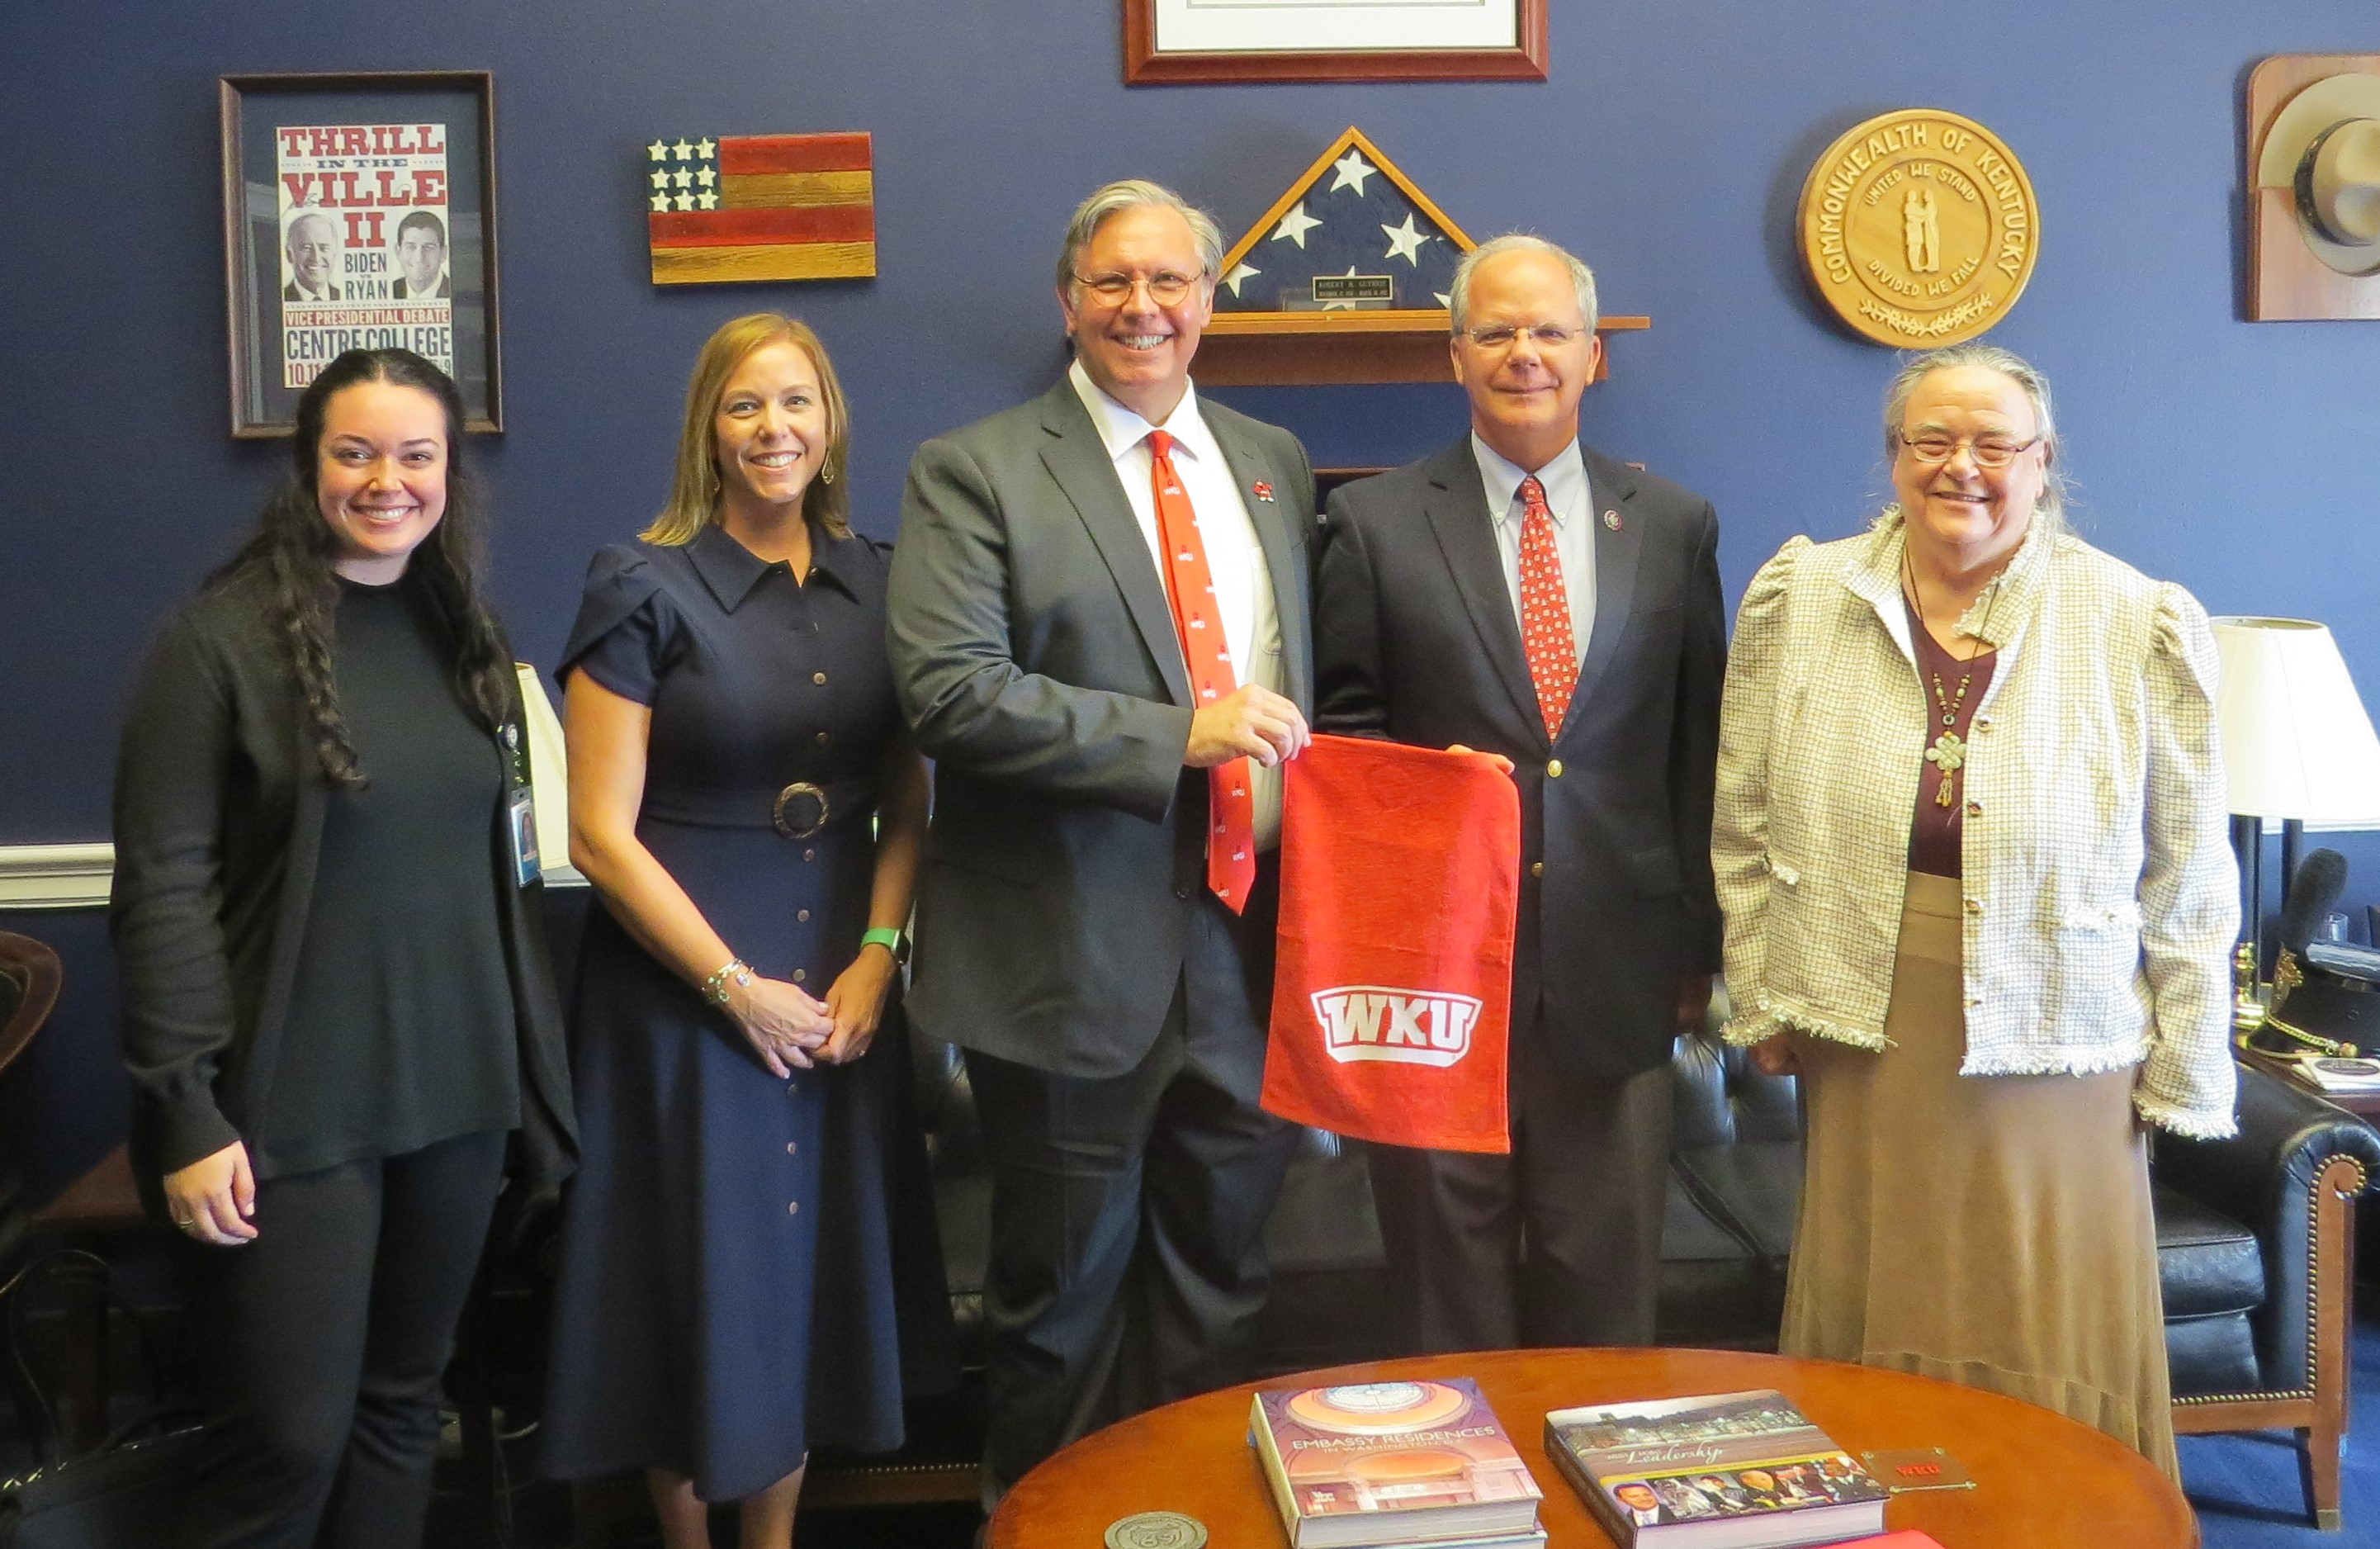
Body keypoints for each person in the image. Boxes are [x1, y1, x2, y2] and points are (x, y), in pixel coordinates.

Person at [1713, 343, 2237, 1482]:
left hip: (2065, 1030)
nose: (1962, 468)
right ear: (1892, 460)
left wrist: (2184, 1061)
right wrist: (1758, 996)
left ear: (2042, 464)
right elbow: (1741, 816)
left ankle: (2064, 1508)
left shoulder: (2128, 616)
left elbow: (2188, 865)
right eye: (1929, 441)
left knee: (2045, 1306)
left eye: (1993, 445)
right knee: (1877, 1283)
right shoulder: (1802, 595)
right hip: (1865, 1011)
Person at [887, 179, 1317, 1505]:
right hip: (1066, 967)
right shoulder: (977, 469)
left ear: (1209, 299)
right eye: (1113, 283)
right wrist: (1174, 735)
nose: (1143, 308)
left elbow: (1307, 691)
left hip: (1246, 959)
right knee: (1055, 1321)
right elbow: (947, 693)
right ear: (1066, 302)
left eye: (1170, 281)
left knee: (1222, 1306)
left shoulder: (1271, 460)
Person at [110, 346, 575, 1549]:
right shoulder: (214, 644)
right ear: (309, 465)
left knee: (402, 1417)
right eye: (355, 452)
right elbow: (160, 886)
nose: (387, 481)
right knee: (287, 1447)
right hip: (289, 1119)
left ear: (447, 473)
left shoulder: (457, 630)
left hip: (459, 1103)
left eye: (415, 455)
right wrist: (185, 1110)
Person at [539, 313, 951, 1549]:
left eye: (795, 404)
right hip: (678, 996)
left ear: (829, 426)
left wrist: (877, 960)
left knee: (804, 1282)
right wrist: (733, 988)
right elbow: (598, 836)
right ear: (707, 432)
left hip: (839, 983)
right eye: (743, 408)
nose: (773, 430)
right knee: (694, 1283)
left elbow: (908, 796)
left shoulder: (884, 577)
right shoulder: (638, 583)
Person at [1313, 234, 1725, 1352]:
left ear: (1591, 355)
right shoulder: (1369, 524)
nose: (1522, 354)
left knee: (1604, 1297)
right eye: (1493, 331)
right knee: (1444, 1298)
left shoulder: (1673, 524)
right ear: (1454, 355)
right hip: (1437, 980)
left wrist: (1701, 951)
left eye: (1547, 331)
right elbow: (1337, 749)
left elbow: (1696, 752)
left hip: (1616, 967)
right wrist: (1416, 791)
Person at [282, 209, 339, 301]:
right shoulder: (279, 299)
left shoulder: (347, 299)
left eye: (323, 248)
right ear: (289, 254)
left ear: (334, 253)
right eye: (306, 248)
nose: (316, 258)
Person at [390, 211, 450, 299]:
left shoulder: (456, 290)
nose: (419, 258)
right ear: (398, 252)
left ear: (443, 253)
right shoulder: (390, 290)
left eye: (428, 247)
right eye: (411, 247)